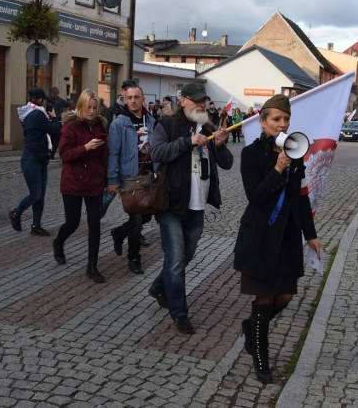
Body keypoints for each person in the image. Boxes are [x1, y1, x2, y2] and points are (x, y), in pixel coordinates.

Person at [233, 94, 321, 384]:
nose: (282, 124)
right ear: (263, 122)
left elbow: (301, 199)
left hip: (285, 237)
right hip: (260, 236)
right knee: (265, 297)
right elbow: (255, 197)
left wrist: (311, 235)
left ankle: (251, 328)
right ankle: (261, 359)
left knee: (285, 296)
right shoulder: (252, 154)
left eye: (286, 119)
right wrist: (277, 169)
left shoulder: (296, 153)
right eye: (276, 119)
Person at [148, 82, 233, 334]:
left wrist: (220, 144)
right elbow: (157, 152)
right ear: (182, 100)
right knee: (175, 260)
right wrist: (187, 142)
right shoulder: (167, 125)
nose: (201, 104)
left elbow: (227, 163)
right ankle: (179, 313)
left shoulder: (208, 126)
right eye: (195, 100)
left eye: (203, 100)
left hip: (197, 204)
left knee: (187, 255)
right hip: (171, 204)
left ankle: (157, 287)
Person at [53, 89, 108, 283]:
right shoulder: (70, 127)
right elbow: (65, 155)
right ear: (80, 107)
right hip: (73, 181)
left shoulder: (100, 125)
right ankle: (58, 242)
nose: (92, 111)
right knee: (73, 222)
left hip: (94, 181)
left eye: (94, 107)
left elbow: (104, 155)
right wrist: (85, 148)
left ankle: (92, 266)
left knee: (95, 225)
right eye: (88, 107)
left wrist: (106, 177)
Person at [106, 85, 156, 275]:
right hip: (130, 177)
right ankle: (134, 258)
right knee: (135, 220)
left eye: (137, 97)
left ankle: (119, 232)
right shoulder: (119, 123)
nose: (133, 101)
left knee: (147, 216)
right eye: (129, 98)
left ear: (143, 98)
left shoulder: (151, 120)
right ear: (124, 99)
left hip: (149, 175)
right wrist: (112, 179)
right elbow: (113, 153)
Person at [9, 88, 61, 235]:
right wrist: (55, 118)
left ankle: (36, 225)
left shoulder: (30, 113)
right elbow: (54, 129)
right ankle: (16, 213)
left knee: (40, 195)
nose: (44, 103)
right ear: (38, 100)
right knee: (35, 194)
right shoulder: (37, 115)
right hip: (31, 159)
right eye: (42, 100)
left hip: (40, 158)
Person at [48, 87, 70, 160]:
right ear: (58, 92)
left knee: (50, 138)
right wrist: (68, 97)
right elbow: (68, 104)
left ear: (51, 92)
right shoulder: (60, 100)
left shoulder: (49, 100)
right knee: (56, 139)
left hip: (50, 120)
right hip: (58, 121)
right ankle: (52, 154)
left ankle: (49, 152)